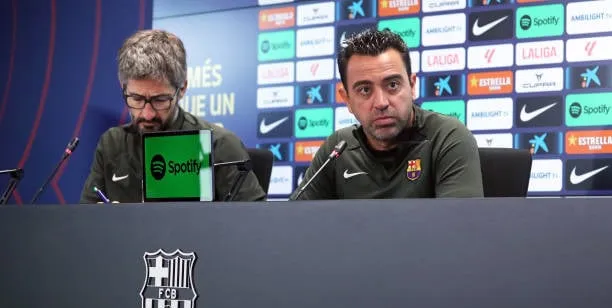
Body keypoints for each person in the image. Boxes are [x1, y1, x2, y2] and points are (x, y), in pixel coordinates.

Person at [290, 28, 483, 200]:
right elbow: (295, 224)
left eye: (392, 85)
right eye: (365, 90)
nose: (381, 103)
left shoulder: (447, 138)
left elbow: (458, 229)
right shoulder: (338, 149)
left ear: (412, 85)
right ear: (346, 98)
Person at [80, 29, 265, 203]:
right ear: (123, 88)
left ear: (182, 89)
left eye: (160, 100)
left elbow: (257, 224)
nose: (147, 114)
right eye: (136, 99)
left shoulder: (220, 145)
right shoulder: (111, 144)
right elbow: (85, 220)